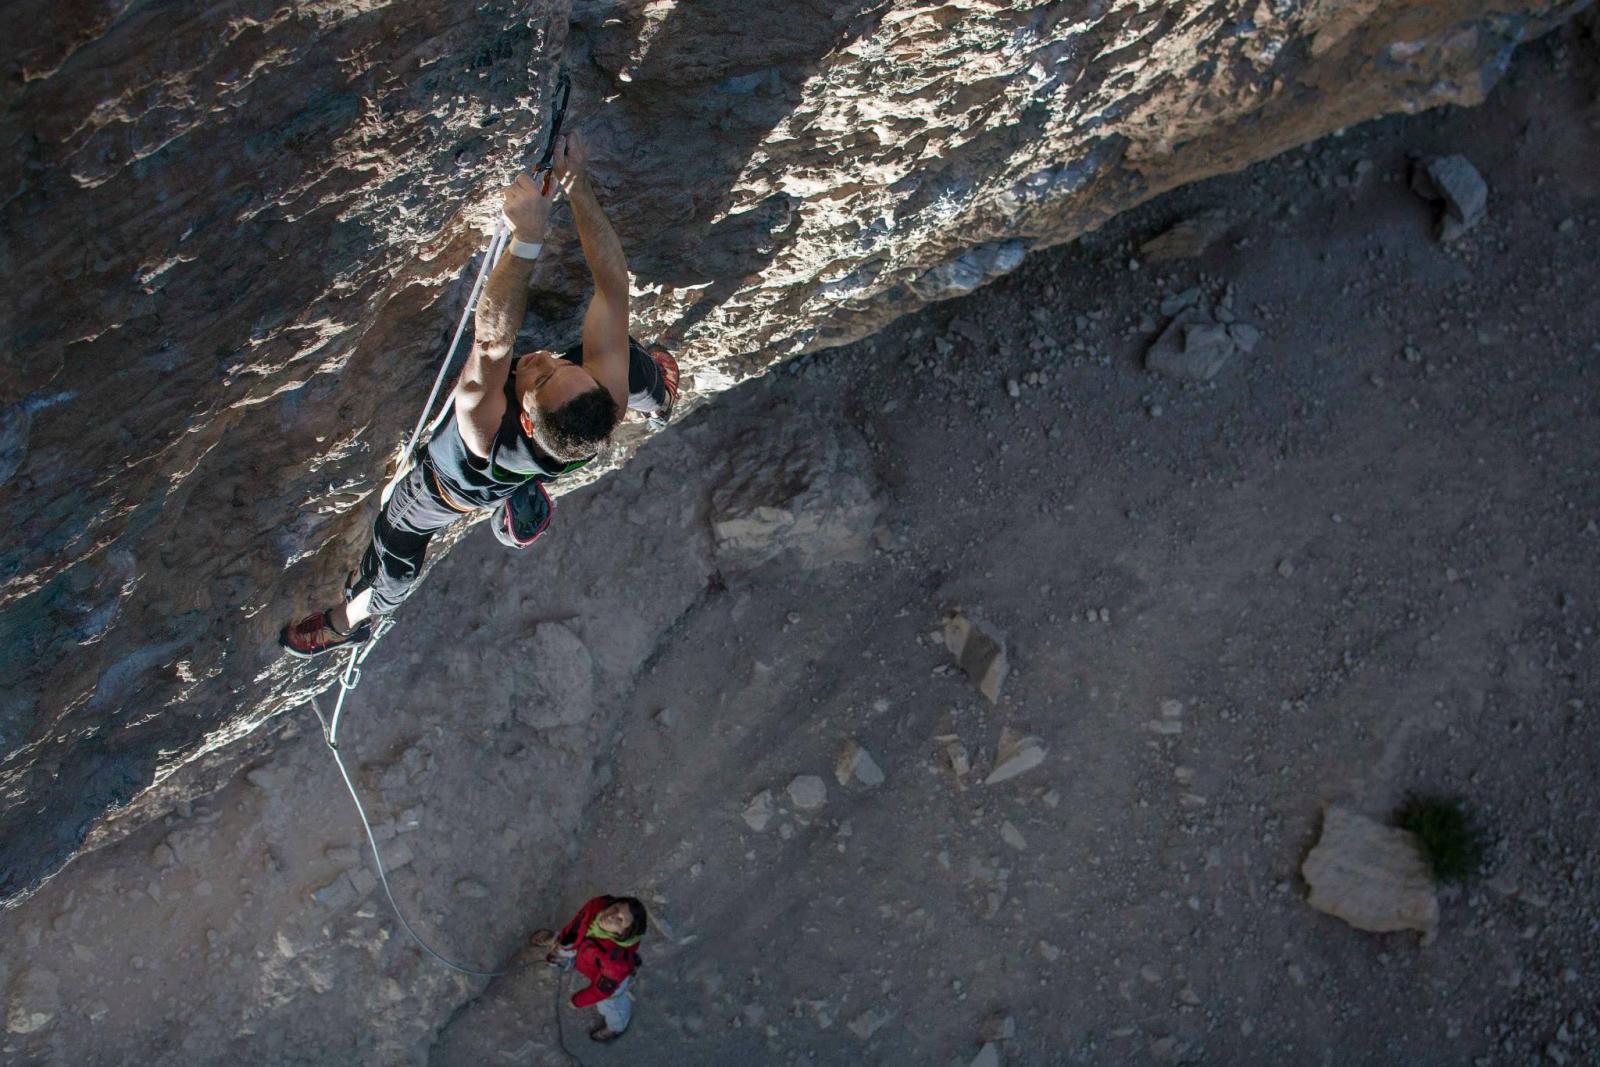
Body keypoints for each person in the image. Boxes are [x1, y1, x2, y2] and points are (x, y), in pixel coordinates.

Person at [279, 131, 678, 658]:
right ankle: (661, 398)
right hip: (545, 450)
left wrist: (528, 236)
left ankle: (344, 623)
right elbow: (612, 285)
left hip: (443, 492)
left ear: (528, 420)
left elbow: (493, 343)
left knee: (394, 576)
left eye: (538, 378)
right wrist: (578, 186)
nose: (543, 359)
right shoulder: (604, 398)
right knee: (625, 361)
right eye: (560, 365)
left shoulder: (482, 428)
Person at [531, 895, 648, 1043]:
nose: (611, 916)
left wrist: (578, 1001)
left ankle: (616, 1026)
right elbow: (577, 925)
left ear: (622, 933)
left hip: (610, 980)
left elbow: (601, 990)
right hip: (585, 952)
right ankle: (556, 941)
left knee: (610, 1004)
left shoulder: (616, 962)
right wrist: (562, 943)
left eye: (620, 920)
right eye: (615, 908)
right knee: (569, 941)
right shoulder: (597, 906)